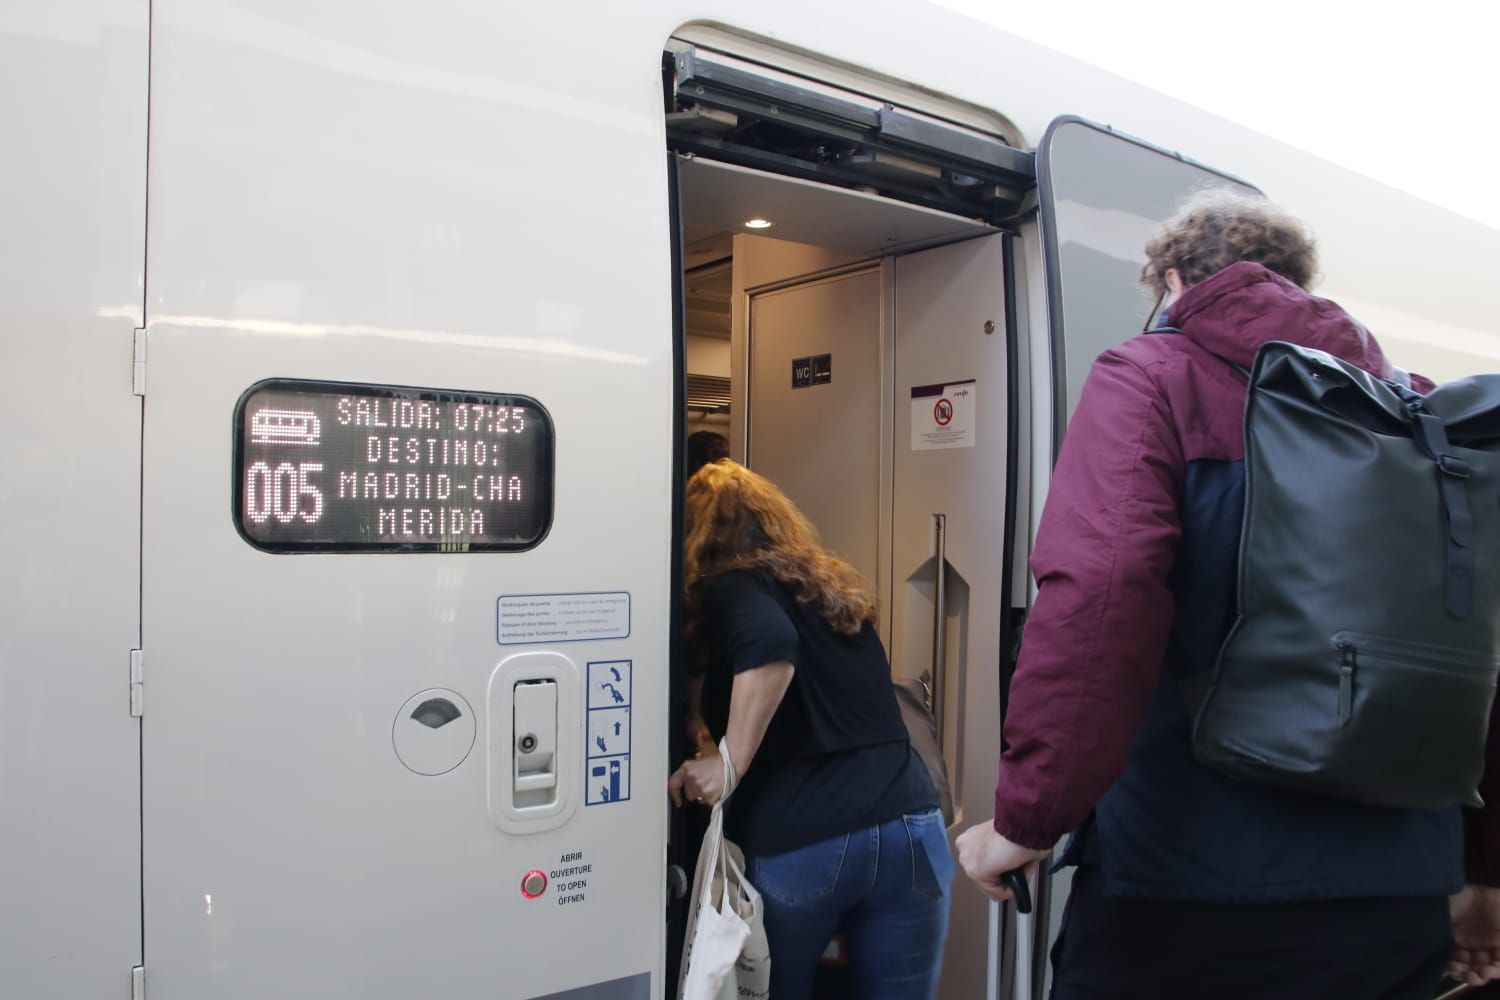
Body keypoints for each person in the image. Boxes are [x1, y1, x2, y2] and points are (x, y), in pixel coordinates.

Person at [955, 188, 1500, 998]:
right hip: (1398, 893)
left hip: (1186, 885)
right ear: (1298, 283)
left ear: (1173, 283)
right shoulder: (1420, 412)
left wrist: (1028, 818)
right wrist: (1483, 867)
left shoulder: (1153, 376)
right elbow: (1480, 648)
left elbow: (1101, 597)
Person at [669, 460, 951, 1000]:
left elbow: (771, 645)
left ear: (698, 534)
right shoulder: (824, 589)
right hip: (910, 827)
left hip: (805, 837)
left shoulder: (731, 586)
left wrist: (727, 764)